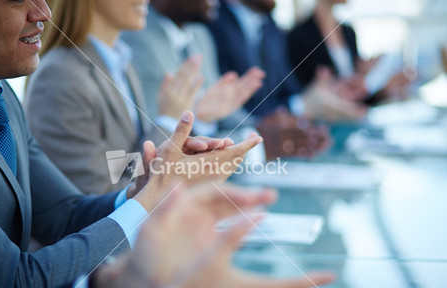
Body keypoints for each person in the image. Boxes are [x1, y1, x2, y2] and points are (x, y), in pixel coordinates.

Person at [0, 0, 262, 288]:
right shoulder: (60, 74)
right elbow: (102, 176)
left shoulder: (3, 99)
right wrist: (153, 188)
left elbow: (66, 213)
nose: (43, 11)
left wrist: (141, 190)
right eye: (16, 0)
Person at [26, 0, 210, 194]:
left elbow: (120, 168)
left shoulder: (121, 61)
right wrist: (168, 121)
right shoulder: (59, 76)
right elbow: (100, 190)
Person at [124, 0, 334, 159]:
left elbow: (220, 112)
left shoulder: (200, 34)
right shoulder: (137, 38)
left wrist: (268, 130)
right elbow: (155, 144)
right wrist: (255, 142)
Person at [208, 0, 367, 124]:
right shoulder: (209, 23)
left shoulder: (270, 26)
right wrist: (302, 105)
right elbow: (224, 114)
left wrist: (330, 92)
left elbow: (287, 90)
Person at [288, 0, 412, 103]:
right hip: (324, 121)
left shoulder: (348, 32)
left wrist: (382, 87)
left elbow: (357, 95)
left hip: (351, 118)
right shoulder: (298, 36)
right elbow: (302, 95)